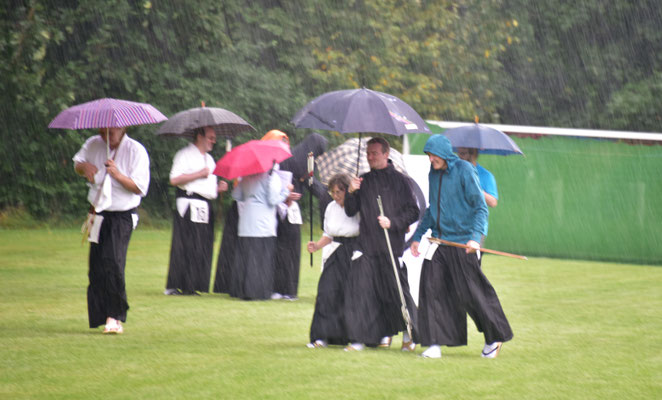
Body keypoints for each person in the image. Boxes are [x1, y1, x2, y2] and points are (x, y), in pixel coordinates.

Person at [410, 134, 513, 359]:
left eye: (433, 155)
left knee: (470, 294)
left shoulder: (465, 170)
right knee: (431, 289)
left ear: (444, 153)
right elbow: (431, 209)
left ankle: (493, 337)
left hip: (463, 242)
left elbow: (480, 207)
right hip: (438, 242)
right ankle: (434, 344)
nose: (430, 160)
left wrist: (475, 238)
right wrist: (418, 236)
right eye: (428, 155)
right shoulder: (433, 174)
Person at [342, 137, 420, 352]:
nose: (370, 157)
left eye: (375, 153)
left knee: (397, 294)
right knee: (360, 292)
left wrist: (393, 222)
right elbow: (350, 210)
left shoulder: (401, 181)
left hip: (390, 247)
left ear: (387, 154)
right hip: (366, 246)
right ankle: (357, 339)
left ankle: (409, 335)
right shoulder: (362, 181)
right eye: (368, 153)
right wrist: (351, 191)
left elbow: (413, 211)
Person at [73, 126, 150, 334]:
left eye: (110, 132)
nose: (105, 135)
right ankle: (100, 314)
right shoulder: (93, 144)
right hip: (97, 212)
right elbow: (77, 164)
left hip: (122, 214)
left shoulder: (136, 150)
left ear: (122, 127)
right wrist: (84, 168)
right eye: (102, 131)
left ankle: (114, 316)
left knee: (114, 262)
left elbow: (140, 187)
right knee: (96, 266)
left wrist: (117, 174)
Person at [164, 126, 227, 296]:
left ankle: (192, 284)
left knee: (200, 246)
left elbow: (207, 187)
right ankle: (175, 284)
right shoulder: (184, 154)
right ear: (199, 136)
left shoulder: (210, 159)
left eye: (214, 138)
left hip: (205, 206)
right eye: (210, 137)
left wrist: (218, 188)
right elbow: (174, 179)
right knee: (185, 245)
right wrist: (199, 174)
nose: (213, 141)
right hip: (189, 204)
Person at [306, 174, 360, 348]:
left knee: (350, 294)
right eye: (333, 192)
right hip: (335, 252)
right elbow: (328, 234)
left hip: (353, 252)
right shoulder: (330, 207)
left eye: (340, 192)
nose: (336, 196)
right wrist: (316, 246)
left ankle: (351, 336)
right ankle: (322, 336)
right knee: (326, 292)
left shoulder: (357, 206)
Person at [229, 166, 290, 300]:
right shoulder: (271, 177)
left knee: (246, 258)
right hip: (263, 223)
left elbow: (236, 195)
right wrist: (286, 191)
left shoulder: (246, 177)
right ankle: (256, 290)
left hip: (246, 222)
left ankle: (241, 289)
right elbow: (273, 200)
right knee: (260, 259)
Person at [457, 147, 498, 263]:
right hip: (455, 229)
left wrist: (476, 188)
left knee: (470, 270)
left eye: (463, 153)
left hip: (476, 230)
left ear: (473, 154)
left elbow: (493, 202)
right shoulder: (454, 173)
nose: (460, 157)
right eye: (459, 153)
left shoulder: (486, 175)